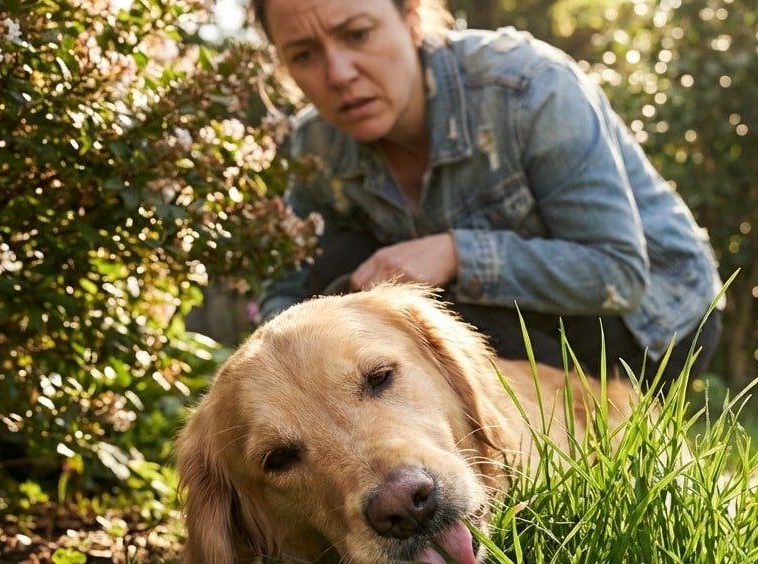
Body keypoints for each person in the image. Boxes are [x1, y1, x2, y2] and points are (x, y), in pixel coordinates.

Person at [250, 0, 723, 389]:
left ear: (411, 17)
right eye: (304, 55)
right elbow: (289, 285)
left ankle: (551, 449)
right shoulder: (315, 146)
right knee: (336, 274)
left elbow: (617, 272)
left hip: (652, 326)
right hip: (499, 321)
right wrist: (276, 367)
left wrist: (455, 253)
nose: (338, 74)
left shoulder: (529, 89)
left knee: (440, 317)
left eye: (357, 35)